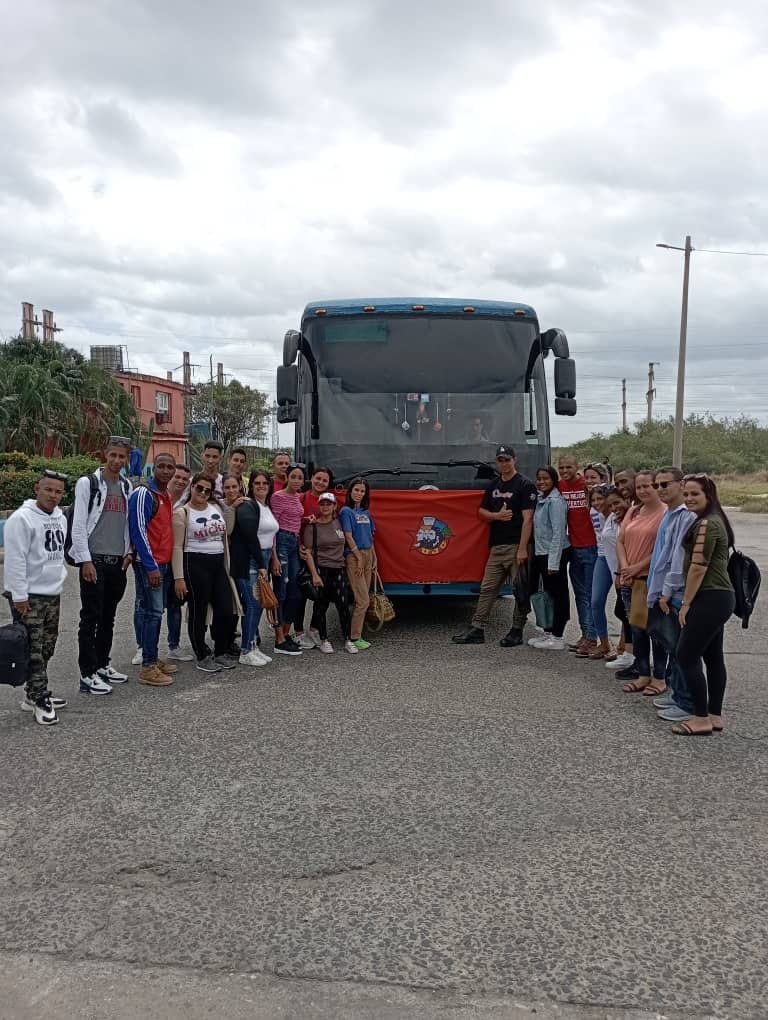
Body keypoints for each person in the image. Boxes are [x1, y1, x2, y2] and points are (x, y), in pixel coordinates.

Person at [452, 445, 536, 647]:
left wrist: (523, 548)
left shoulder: (525, 485)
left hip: (517, 546)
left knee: (520, 591)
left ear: (514, 460)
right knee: (487, 588)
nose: (504, 463)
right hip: (497, 546)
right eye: (500, 460)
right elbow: (481, 512)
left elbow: (528, 519)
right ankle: (477, 629)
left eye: (507, 459)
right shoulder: (494, 485)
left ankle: (517, 630)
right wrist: (496, 516)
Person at [671, 475, 735, 736]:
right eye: (685, 494)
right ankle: (714, 715)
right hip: (718, 597)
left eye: (694, 494)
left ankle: (700, 717)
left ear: (709, 494)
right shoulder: (714, 520)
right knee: (713, 656)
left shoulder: (708, 524)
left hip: (709, 597)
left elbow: (698, 566)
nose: (688, 498)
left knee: (686, 655)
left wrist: (686, 603)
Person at [3, 470, 68, 726]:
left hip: (52, 593)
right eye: (48, 490)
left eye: (58, 491)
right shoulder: (21, 519)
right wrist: (19, 596)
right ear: (36, 489)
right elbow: (16, 559)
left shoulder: (60, 517)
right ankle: (40, 698)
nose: (53, 495)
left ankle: (32, 693)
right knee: (34, 650)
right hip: (29, 596)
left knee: (48, 646)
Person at [70, 434, 133, 695]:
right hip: (94, 561)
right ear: (104, 455)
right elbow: (78, 524)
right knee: (90, 618)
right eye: (113, 455)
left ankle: (102, 664)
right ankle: (87, 673)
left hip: (117, 562)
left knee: (109, 617)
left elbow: (128, 523)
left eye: (121, 456)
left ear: (127, 459)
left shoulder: (127, 486)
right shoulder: (89, 483)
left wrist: (129, 553)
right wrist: (85, 560)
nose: (116, 460)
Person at [644, 467, 697, 723]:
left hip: (675, 593)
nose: (660, 490)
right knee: (671, 646)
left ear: (680, 484)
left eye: (665, 484)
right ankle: (677, 694)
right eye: (657, 485)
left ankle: (687, 702)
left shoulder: (686, 517)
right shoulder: (669, 515)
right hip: (662, 590)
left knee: (680, 650)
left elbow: (678, 559)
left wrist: (666, 592)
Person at [172, 472, 239, 672]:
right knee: (198, 611)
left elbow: (227, 531)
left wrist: (230, 508)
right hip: (195, 563)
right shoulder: (182, 513)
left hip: (218, 563)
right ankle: (201, 653)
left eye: (207, 490)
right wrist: (179, 577)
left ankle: (220, 650)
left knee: (226, 608)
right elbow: (176, 547)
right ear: (191, 487)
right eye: (198, 488)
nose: (202, 492)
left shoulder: (216, 507)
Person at [127, 453, 179, 688]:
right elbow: (138, 530)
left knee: (156, 613)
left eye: (170, 467)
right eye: (162, 466)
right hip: (151, 565)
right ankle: (148, 666)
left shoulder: (165, 494)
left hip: (164, 563)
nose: (166, 471)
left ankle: (151, 656)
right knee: (152, 613)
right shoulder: (143, 494)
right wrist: (150, 566)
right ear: (153, 468)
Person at [616, 470, 667, 695]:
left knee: (656, 631)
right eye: (639, 487)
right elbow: (620, 540)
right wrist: (626, 566)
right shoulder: (634, 511)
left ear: (657, 487)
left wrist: (638, 567)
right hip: (630, 579)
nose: (643, 490)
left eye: (648, 486)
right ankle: (643, 673)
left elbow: (662, 548)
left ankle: (660, 677)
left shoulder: (665, 513)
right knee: (637, 630)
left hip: (650, 579)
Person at [222, 474, 272, 666]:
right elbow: (250, 537)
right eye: (227, 488)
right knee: (252, 604)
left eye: (234, 486)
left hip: (251, 561)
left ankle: (252, 645)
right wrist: (261, 564)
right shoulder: (241, 507)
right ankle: (245, 650)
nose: (231, 491)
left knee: (257, 604)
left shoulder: (248, 504)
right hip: (244, 563)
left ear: (241, 487)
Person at [300, 492, 358, 654]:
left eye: (329, 504)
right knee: (321, 605)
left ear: (334, 506)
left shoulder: (339, 523)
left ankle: (347, 639)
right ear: (319, 506)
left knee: (343, 604)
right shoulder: (313, 527)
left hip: (339, 568)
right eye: (322, 504)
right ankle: (324, 639)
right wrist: (314, 575)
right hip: (321, 569)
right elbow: (308, 552)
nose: (325, 507)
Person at [557, 455, 598, 655]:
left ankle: (593, 638)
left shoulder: (586, 485)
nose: (565, 470)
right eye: (561, 467)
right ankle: (586, 634)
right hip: (573, 547)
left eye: (569, 467)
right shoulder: (560, 486)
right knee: (581, 595)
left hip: (591, 546)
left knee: (591, 595)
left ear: (577, 467)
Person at [527, 466, 570, 651]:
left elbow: (559, 533)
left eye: (545, 478)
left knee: (558, 596)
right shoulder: (540, 498)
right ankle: (547, 631)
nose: (541, 482)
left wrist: (553, 562)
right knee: (544, 595)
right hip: (540, 552)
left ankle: (558, 636)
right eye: (539, 478)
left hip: (554, 554)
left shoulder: (556, 502)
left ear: (553, 480)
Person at [293, 465, 333, 649]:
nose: (320, 482)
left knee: (323, 594)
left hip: (324, 556)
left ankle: (314, 628)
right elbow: (292, 521)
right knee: (300, 595)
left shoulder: (331, 501)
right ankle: (299, 632)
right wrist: (299, 545)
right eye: (318, 478)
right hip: (302, 551)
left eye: (325, 480)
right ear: (312, 478)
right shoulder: (301, 498)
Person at [269, 464, 306, 654]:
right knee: (280, 591)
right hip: (281, 541)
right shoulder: (278, 497)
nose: (297, 481)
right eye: (294, 477)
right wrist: (274, 555)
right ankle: (279, 639)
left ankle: (285, 633)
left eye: (300, 478)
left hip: (293, 542)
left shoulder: (298, 497)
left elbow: (296, 521)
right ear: (287, 478)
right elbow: (273, 527)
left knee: (295, 592)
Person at [340, 477, 377, 651]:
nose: (359, 493)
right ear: (350, 491)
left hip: (368, 553)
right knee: (362, 599)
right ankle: (354, 637)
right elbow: (348, 535)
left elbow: (371, 536)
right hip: (355, 556)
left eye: (362, 491)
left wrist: (373, 556)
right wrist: (358, 556)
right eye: (356, 490)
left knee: (363, 598)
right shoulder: (346, 511)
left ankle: (358, 631)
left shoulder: (366, 513)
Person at [600, 487, 634, 670]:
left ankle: (631, 653)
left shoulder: (631, 520)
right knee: (624, 612)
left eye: (617, 503)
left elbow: (627, 549)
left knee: (627, 613)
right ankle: (628, 651)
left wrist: (620, 573)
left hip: (627, 574)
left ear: (627, 499)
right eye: (610, 505)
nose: (614, 507)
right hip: (617, 572)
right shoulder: (613, 519)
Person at [587, 484, 614, 659]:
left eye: (600, 499)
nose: (596, 503)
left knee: (623, 606)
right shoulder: (592, 513)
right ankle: (604, 643)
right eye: (593, 500)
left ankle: (623, 646)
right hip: (602, 557)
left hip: (618, 559)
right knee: (595, 601)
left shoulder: (615, 514)